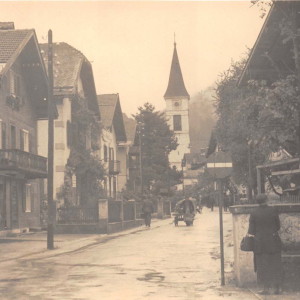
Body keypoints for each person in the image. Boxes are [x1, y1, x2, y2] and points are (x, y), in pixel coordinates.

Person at [248, 194, 282, 295]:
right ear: (266, 200)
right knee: (275, 264)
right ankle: (277, 288)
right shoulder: (273, 210)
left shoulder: (253, 212)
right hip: (274, 241)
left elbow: (251, 230)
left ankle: (265, 288)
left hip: (260, 243)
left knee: (262, 266)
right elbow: (278, 226)